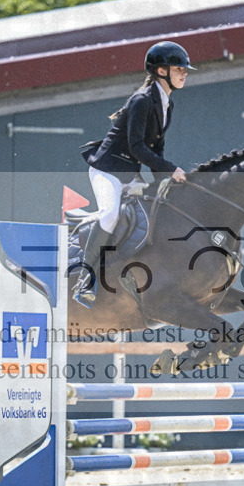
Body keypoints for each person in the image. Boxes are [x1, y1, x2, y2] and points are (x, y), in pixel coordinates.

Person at [74, 40, 195, 307]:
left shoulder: (167, 104)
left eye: (185, 69)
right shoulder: (142, 100)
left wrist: (167, 183)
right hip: (107, 171)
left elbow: (157, 150)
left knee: (156, 209)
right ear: (161, 71)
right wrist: (171, 170)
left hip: (130, 174)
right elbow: (137, 147)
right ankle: (84, 277)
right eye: (179, 69)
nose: (184, 73)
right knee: (110, 213)